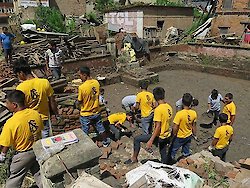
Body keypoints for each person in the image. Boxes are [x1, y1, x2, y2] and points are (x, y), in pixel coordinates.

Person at [0, 90, 43, 188]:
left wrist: (2, 155)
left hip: (22, 155)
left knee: (14, 179)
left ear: (14, 105)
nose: (6, 105)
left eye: (7, 103)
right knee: (40, 175)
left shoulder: (11, 122)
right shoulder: (35, 113)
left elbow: (5, 144)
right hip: (37, 150)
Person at [124, 87, 172, 164]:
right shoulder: (168, 107)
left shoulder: (158, 110)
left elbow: (158, 126)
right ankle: (165, 164)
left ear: (155, 97)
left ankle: (134, 158)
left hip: (159, 136)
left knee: (137, 139)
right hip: (166, 134)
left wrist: (151, 140)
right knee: (163, 152)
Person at [14, 58, 58, 138]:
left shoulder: (20, 88)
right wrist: (56, 114)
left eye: (18, 75)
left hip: (30, 121)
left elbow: (21, 108)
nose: (19, 78)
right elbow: (52, 101)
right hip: (44, 118)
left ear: (21, 73)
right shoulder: (44, 82)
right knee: (46, 143)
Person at [78, 66, 110, 147]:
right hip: (96, 111)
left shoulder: (82, 87)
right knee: (100, 127)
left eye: (80, 75)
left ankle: (85, 145)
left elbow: (80, 101)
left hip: (86, 113)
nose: (80, 77)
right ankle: (105, 142)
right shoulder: (96, 82)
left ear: (84, 75)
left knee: (85, 130)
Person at [170, 93, 197, 162]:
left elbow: (175, 127)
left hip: (180, 136)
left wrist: (173, 135)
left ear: (182, 102)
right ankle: (185, 160)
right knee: (186, 149)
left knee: (173, 149)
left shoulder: (179, 114)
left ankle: (171, 160)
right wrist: (194, 134)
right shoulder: (194, 113)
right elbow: (194, 125)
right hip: (188, 134)